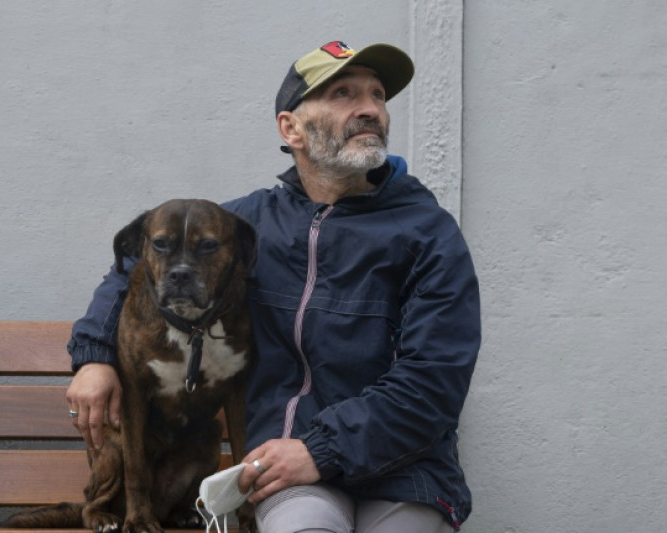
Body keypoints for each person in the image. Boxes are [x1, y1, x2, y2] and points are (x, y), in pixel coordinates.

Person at [64, 40, 480, 533]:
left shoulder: (428, 233)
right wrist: (94, 355)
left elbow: (433, 382)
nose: (369, 109)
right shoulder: (245, 225)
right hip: (287, 469)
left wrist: (321, 450)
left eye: (377, 95)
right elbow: (137, 266)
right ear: (291, 128)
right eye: (344, 93)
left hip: (405, 473)